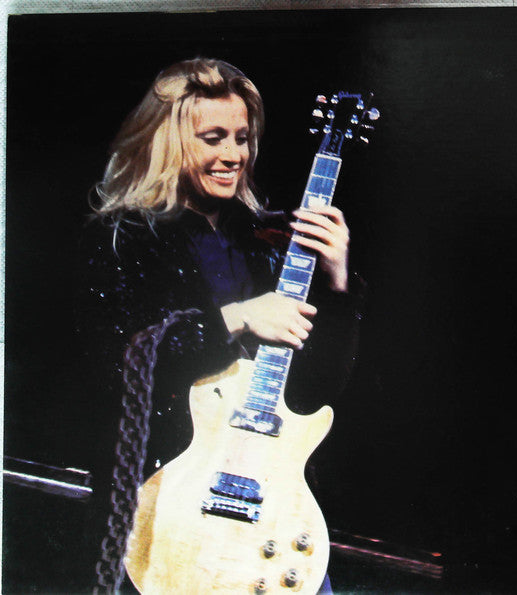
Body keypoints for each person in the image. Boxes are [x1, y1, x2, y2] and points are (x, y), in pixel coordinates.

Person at [76, 57, 362, 593]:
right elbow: (116, 365)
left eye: (242, 137)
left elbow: (314, 392)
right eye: (213, 138)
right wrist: (238, 317)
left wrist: (338, 283)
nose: (233, 155)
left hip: (269, 504)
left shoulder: (268, 241)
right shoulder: (122, 236)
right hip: (165, 501)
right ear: (169, 142)